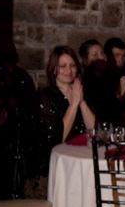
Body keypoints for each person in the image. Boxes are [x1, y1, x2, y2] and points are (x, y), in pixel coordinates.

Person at [35, 46, 95, 176]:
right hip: (58, 164)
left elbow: (94, 131)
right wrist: (74, 103)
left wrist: (82, 102)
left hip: (82, 161)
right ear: (54, 70)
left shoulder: (80, 92)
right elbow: (58, 138)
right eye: (63, 66)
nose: (69, 70)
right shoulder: (46, 97)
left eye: (72, 65)